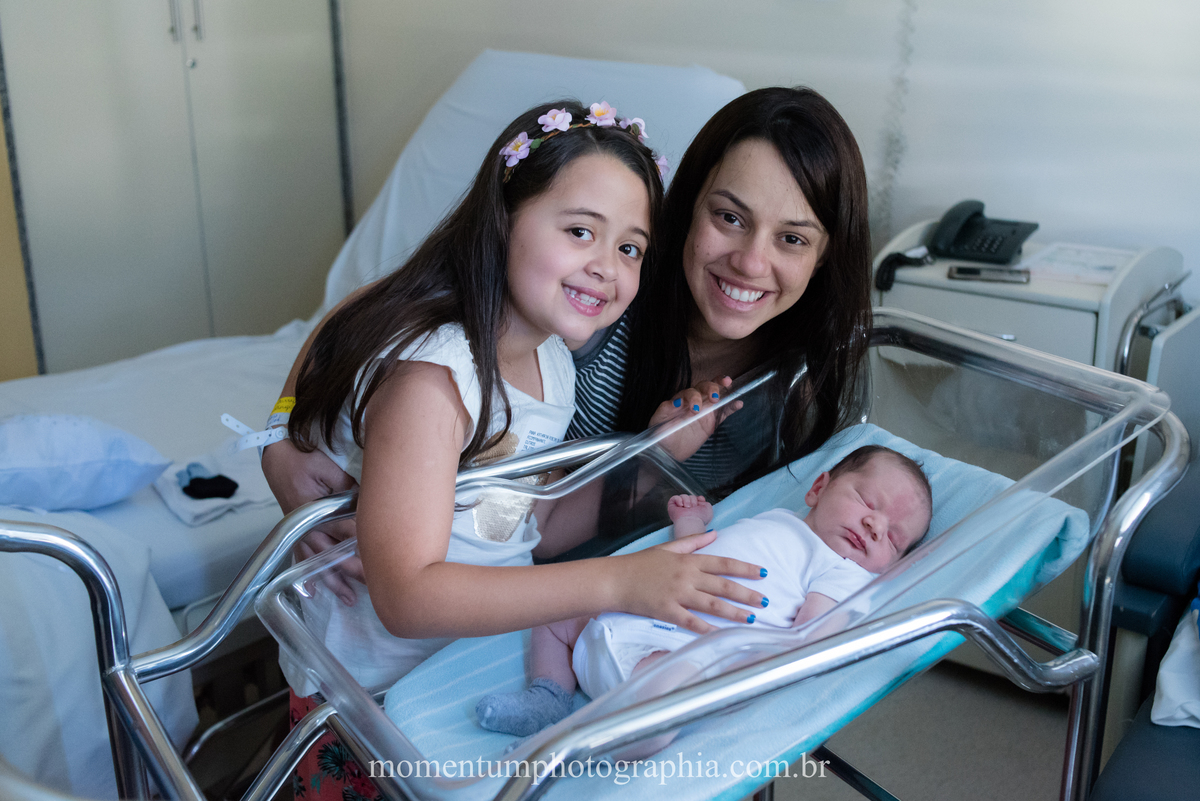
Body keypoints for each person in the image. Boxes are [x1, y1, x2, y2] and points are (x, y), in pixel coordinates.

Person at [278, 99, 772, 800]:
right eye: (580, 231)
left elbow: (526, 523)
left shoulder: (551, 365)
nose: (607, 267)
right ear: (505, 219)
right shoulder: (435, 381)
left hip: (464, 672)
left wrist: (656, 453)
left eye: (629, 248)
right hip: (368, 705)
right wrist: (618, 581)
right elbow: (406, 595)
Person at [263, 85, 873, 599]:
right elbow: (389, 303)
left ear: (824, 256)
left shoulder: (800, 385)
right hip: (516, 604)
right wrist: (282, 434)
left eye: (793, 239)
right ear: (688, 209)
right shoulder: (587, 310)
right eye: (730, 218)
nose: (750, 261)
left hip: (595, 612)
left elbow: (541, 516)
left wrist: (655, 456)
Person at [474, 445, 933, 737]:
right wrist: (691, 524)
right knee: (557, 607)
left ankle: (581, 748)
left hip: (682, 654)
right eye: (867, 501)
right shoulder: (777, 521)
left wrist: (755, 665)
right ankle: (548, 697)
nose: (875, 525)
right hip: (632, 615)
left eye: (893, 538)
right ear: (817, 489)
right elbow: (697, 558)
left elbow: (811, 638)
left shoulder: (843, 571)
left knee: (667, 695)